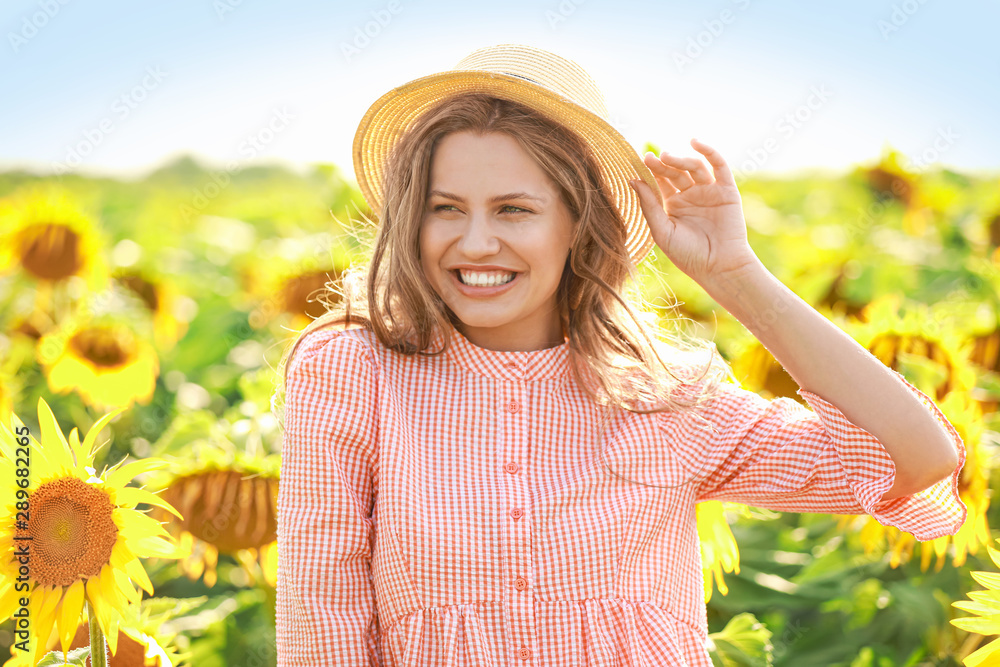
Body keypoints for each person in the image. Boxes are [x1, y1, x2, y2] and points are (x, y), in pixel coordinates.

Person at [272, 44, 966, 666]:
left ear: (581, 224)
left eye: (513, 209)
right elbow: (319, 621)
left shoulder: (665, 397)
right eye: (444, 207)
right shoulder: (352, 372)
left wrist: (736, 279)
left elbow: (917, 457)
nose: (476, 242)